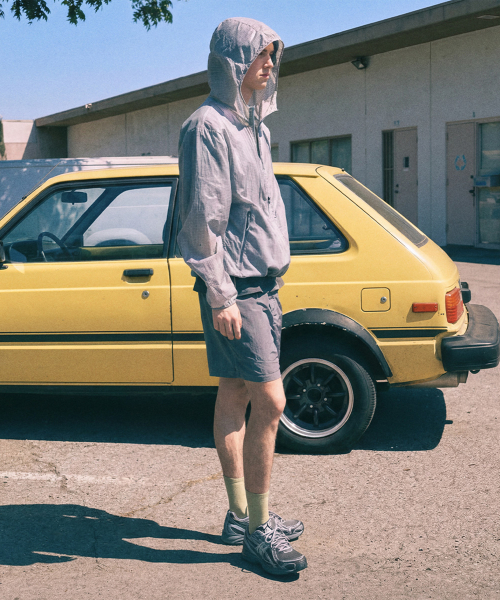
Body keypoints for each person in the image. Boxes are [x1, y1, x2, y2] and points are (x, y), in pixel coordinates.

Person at [177, 17, 307, 576]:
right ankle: (258, 533)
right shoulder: (207, 126)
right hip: (237, 288)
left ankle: (240, 515)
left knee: (234, 391)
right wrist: (221, 295)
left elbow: (258, 210)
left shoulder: (255, 126)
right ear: (233, 61)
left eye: (274, 54)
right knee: (271, 402)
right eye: (261, 54)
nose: (270, 63)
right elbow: (202, 219)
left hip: (262, 283)